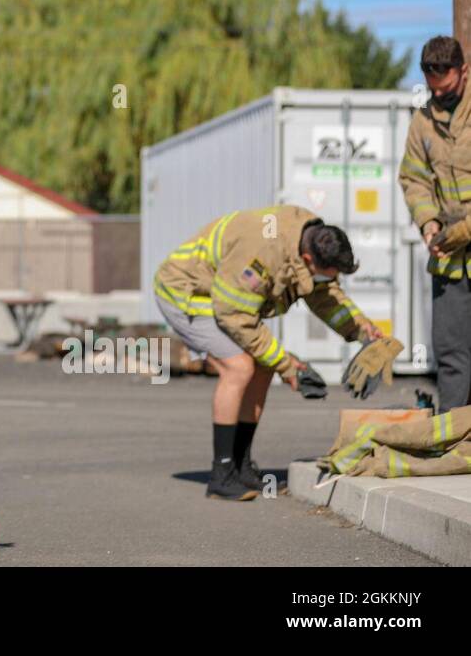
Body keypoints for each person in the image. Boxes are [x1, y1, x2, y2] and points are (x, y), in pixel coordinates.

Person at [153, 205, 382, 501]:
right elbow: (233, 314)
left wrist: (364, 331)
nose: (330, 280)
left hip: (220, 296)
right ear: (309, 259)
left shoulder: (306, 237)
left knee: (263, 366)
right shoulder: (262, 251)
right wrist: (289, 367)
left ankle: (242, 467)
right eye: (329, 275)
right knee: (239, 367)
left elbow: (324, 296)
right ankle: (222, 474)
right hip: (186, 292)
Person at [399, 34, 471, 411]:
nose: (440, 97)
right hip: (449, 258)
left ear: (464, 71)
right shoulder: (422, 122)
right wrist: (427, 222)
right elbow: (414, 178)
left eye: (447, 89)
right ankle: (454, 441)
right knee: (451, 354)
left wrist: (462, 231)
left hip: (461, 238)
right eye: (433, 90)